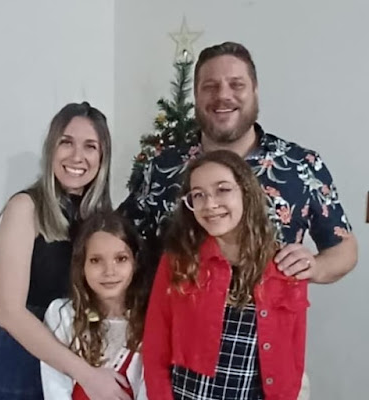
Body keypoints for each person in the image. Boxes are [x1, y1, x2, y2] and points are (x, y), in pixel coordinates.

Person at [119, 41, 357, 399]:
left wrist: (316, 266)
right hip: (185, 366)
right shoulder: (164, 167)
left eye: (236, 84)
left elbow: (345, 248)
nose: (223, 95)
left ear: (255, 90)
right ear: (196, 96)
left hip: (270, 366)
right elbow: (122, 239)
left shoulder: (301, 167)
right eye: (210, 86)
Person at [0, 102, 129, 400]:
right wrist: (86, 374)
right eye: (66, 142)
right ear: (51, 148)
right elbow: (10, 314)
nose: (77, 156)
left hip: (64, 366)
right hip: (14, 366)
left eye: (90, 146)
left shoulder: (98, 219)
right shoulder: (24, 208)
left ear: (102, 157)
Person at [143, 150, 309, 399]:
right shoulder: (178, 261)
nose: (210, 204)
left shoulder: (285, 266)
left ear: (246, 192)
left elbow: (294, 353)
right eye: (198, 194)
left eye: (222, 189)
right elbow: (155, 346)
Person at [41, 212, 148, 400]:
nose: (109, 271)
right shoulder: (62, 315)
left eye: (121, 259)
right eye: (96, 260)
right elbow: (54, 388)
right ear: (82, 265)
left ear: (135, 262)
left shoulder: (147, 321)